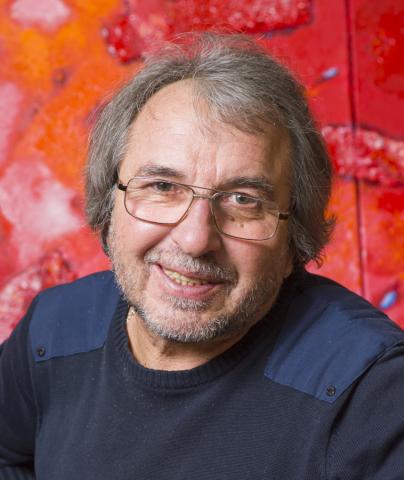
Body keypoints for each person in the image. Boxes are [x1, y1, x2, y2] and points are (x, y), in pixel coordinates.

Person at [1, 33, 403, 480]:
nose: (195, 239)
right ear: (109, 202)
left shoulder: (369, 391)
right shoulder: (54, 330)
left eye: (243, 200)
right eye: (162, 186)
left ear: (295, 236)